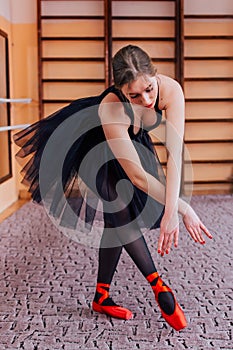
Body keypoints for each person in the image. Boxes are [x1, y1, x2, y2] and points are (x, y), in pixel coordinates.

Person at [14, 45, 212, 331]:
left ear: (155, 77)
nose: (145, 100)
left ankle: (101, 296)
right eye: (134, 95)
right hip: (97, 144)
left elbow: (175, 153)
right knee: (120, 212)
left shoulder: (171, 91)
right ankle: (159, 287)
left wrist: (174, 208)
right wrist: (181, 209)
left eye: (149, 90)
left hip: (133, 140)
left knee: (114, 224)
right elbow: (138, 177)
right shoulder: (112, 107)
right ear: (121, 90)